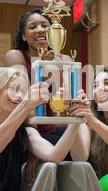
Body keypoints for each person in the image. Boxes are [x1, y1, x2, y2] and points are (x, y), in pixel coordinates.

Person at [5, 8, 71, 145]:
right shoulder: (15, 56)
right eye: (32, 27)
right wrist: (35, 143)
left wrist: (51, 70)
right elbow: (23, 98)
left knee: (84, 137)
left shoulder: (64, 59)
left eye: (45, 26)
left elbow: (65, 101)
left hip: (53, 127)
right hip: (25, 127)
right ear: (23, 35)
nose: (40, 30)